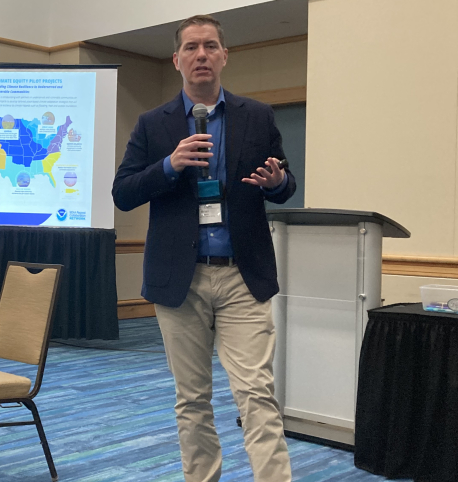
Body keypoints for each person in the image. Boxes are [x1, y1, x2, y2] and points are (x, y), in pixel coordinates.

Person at [111, 14, 295, 482]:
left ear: (224, 56)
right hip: (182, 278)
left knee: (256, 393)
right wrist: (169, 166)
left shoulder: (257, 116)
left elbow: (284, 183)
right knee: (192, 398)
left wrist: (279, 182)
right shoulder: (153, 124)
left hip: (242, 275)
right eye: (191, 48)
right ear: (176, 60)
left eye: (210, 46)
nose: (201, 55)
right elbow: (124, 191)